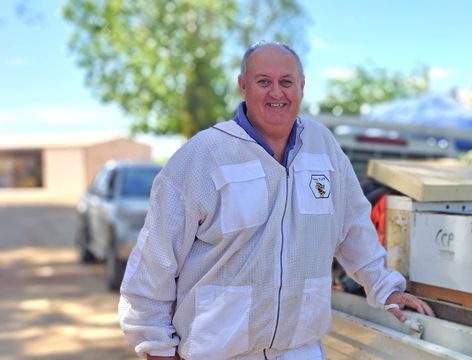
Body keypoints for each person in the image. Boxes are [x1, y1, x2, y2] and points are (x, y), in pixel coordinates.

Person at [118, 41, 434, 360]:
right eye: (263, 81)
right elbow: (154, 263)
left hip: (302, 351)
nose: (276, 93)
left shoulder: (323, 147)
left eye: (286, 82)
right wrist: (156, 346)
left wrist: (385, 287)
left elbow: (353, 227)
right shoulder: (202, 157)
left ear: (302, 86)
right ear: (243, 86)